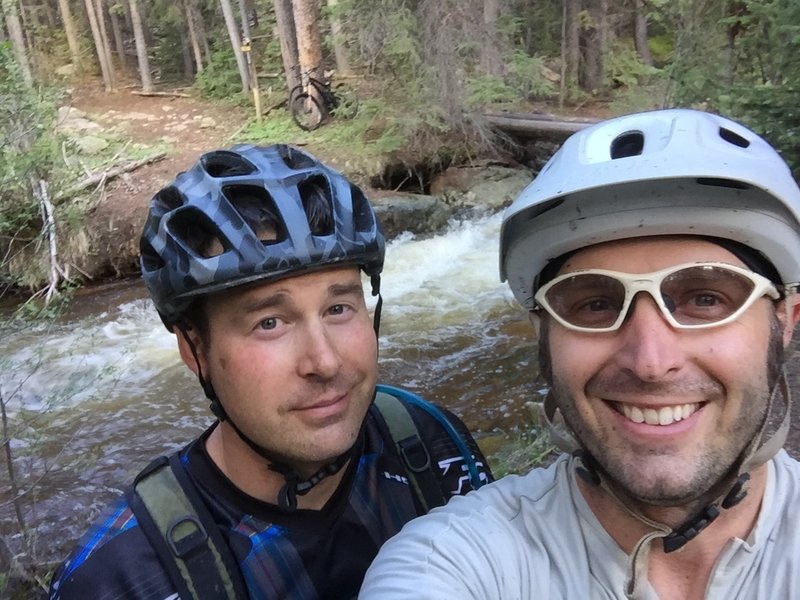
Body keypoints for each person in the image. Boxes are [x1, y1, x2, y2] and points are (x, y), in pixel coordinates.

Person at [359, 108, 800, 600]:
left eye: (705, 299)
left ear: (785, 320)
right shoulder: (449, 561)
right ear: (544, 336)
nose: (651, 362)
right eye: (594, 304)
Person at [48, 143, 492, 600]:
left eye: (339, 307)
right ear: (193, 349)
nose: (324, 362)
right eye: (269, 323)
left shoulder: (432, 445)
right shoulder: (121, 580)